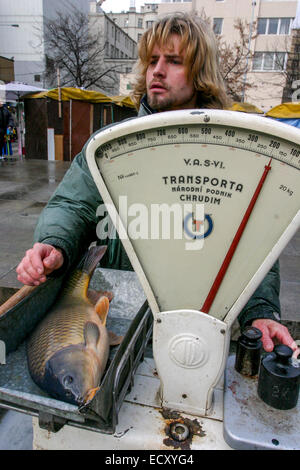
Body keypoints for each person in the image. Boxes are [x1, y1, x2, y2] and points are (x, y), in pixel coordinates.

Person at [16, 13, 299, 357]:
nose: (157, 71)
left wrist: (262, 313)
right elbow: (72, 205)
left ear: (200, 73)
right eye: (152, 61)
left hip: (198, 336)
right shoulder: (109, 148)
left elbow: (255, 239)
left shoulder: (235, 152)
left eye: (174, 61)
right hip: (116, 322)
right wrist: (54, 244)